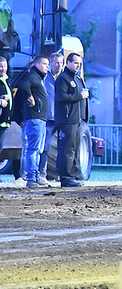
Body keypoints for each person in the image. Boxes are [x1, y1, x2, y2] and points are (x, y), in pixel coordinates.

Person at [55, 53, 89, 187]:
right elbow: (61, 97)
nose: (77, 66)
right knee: (66, 149)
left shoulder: (77, 78)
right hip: (67, 119)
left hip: (77, 120)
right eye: (75, 63)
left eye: (79, 64)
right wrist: (79, 95)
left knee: (74, 148)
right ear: (67, 62)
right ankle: (65, 177)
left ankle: (72, 175)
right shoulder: (63, 78)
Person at [20, 55, 50, 188]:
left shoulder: (39, 78)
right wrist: (30, 97)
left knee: (38, 149)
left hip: (40, 119)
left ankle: (36, 176)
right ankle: (31, 177)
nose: (47, 66)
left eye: (47, 64)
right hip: (35, 118)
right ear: (36, 64)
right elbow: (24, 86)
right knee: (33, 148)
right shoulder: (33, 76)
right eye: (44, 64)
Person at [38, 53, 64, 183]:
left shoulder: (65, 78)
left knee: (64, 148)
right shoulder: (45, 78)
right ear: (51, 63)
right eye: (56, 62)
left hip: (62, 117)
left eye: (61, 63)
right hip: (49, 117)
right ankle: (42, 173)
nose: (58, 65)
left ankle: (63, 174)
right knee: (46, 147)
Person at [0, 56, 12, 162]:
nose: (3, 69)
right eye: (0, 66)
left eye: (4, 66)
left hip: (4, 122)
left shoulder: (6, 80)